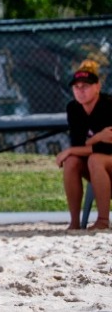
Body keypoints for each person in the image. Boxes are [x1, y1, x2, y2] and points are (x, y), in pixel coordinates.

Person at [59, 61, 112, 230]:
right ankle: (74, 222)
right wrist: (96, 138)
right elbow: (79, 143)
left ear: (97, 86)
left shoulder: (109, 105)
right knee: (71, 162)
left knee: (95, 159)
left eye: (86, 86)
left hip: (105, 162)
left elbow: (108, 147)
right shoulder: (73, 108)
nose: (80, 90)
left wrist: (74, 149)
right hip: (97, 166)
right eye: (76, 87)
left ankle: (103, 220)